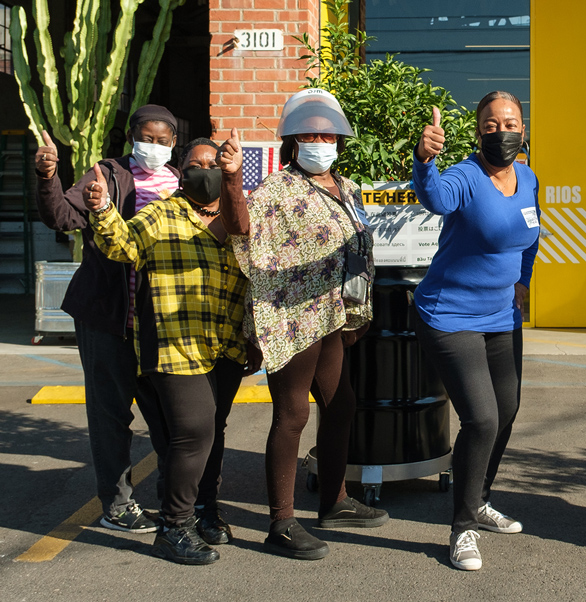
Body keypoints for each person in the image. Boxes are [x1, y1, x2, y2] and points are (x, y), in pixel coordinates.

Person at [217, 88, 387, 561]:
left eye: (327, 134)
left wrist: (357, 311)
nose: (319, 141)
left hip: (331, 314)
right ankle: (281, 522)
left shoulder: (347, 188)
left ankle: (333, 501)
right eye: (309, 133)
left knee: (342, 403)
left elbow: (355, 251)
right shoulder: (277, 188)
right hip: (289, 316)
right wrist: (231, 180)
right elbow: (240, 230)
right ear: (293, 140)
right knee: (292, 413)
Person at [85, 137, 260, 564]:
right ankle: (173, 526)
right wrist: (103, 209)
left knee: (213, 431)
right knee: (194, 429)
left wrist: (255, 337)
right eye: (195, 164)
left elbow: (262, 274)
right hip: (174, 343)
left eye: (213, 163)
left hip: (226, 344)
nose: (205, 170)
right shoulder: (163, 213)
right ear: (181, 173)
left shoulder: (242, 214)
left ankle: (204, 511)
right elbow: (122, 246)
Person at [34, 105, 182, 534]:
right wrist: (48, 178)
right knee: (110, 415)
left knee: (169, 413)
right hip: (109, 317)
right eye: (146, 138)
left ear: (174, 143)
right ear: (132, 138)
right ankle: (117, 505)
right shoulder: (107, 175)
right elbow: (61, 216)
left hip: (162, 321)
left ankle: (178, 500)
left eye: (162, 140)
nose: (153, 146)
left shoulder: (180, 181)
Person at [411, 92, 539, 571]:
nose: (500, 131)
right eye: (490, 124)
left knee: (506, 410)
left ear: (522, 129)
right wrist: (425, 159)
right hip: (449, 314)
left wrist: (523, 280)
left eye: (509, 122)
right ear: (478, 131)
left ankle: (479, 498)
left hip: (501, 316)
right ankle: (461, 528)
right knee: (481, 419)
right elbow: (435, 197)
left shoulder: (527, 177)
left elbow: (533, 234)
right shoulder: (465, 175)